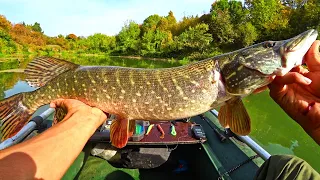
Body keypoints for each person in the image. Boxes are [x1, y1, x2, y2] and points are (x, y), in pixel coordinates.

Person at [0, 41, 320, 180]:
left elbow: (238, 124)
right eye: (269, 47)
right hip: (77, 86)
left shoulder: (227, 86)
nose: (278, 50)